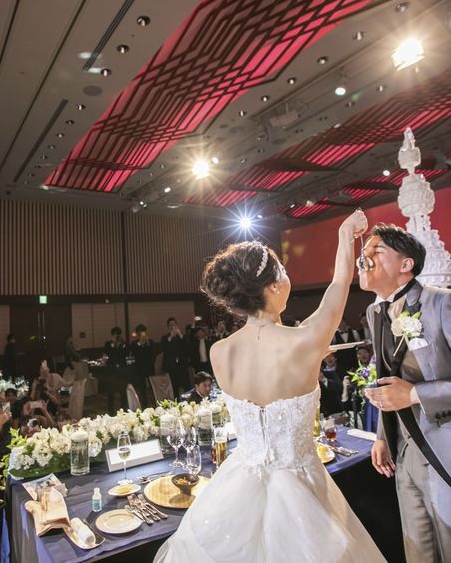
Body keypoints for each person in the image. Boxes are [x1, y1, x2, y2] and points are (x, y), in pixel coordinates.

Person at [155, 209, 386, 562]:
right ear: (275, 286)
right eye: (285, 272)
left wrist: (309, 349)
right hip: (302, 486)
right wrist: (344, 234)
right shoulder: (305, 342)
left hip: (237, 482)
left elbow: (277, 347)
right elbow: (339, 285)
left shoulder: (220, 352)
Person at [360, 223, 451, 562]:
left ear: (406, 264)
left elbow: (406, 389)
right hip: (402, 450)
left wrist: (414, 395)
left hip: (444, 449)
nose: (364, 259)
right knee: (417, 550)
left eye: (376, 251)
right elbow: (389, 376)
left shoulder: (441, 303)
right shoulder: (375, 312)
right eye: (363, 253)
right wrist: (383, 436)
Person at [161, 318, 189, 397]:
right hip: (171, 367)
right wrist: (171, 336)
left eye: (174, 324)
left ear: (177, 325)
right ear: (168, 327)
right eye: (170, 325)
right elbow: (164, 348)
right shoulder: (165, 338)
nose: (172, 326)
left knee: (186, 386)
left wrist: (180, 335)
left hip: (182, 366)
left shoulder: (182, 337)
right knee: (174, 388)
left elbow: (188, 348)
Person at [130, 324, 155, 404]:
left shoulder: (150, 342)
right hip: (139, 369)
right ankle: (144, 405)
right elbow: (135, 354)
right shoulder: (134, 344)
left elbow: (152, 353)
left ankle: (156, 401)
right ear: (138, 334)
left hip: (149, 368)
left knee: (153, 387)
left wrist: (147, 343)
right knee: (142, 389)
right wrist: (140, 342)